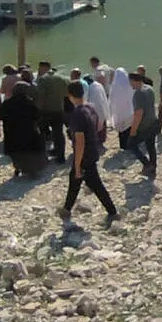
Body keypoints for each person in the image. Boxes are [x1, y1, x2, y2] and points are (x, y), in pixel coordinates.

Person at [60, 80, 119, 223]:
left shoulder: (77, 114)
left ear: (70, 95)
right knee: (75, 180)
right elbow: (98, 126)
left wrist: (78, 163)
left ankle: (113, 211)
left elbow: (79, 142)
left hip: (84, 155)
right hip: (93, 150)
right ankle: (67, 209)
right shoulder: (90, 107)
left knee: (93, 183)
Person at [0, 82, 47, 178]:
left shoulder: (7, 103)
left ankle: (17, 168)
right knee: (30, 152)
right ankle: (32, 170)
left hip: (11, 132)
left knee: (16, 152)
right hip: (28, 132)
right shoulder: (29, 102)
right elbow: (37, 116)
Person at [128, 72, 160, 178]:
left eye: (130, 82)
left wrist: (133, 131)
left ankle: (147, 165)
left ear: (133, 80)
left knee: (131, 145)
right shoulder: (149, 89)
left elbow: (138, 114)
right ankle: (153, 167)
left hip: (144, 126)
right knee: (151, 145)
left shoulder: (138, 93)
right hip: (153, 122)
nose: (130, 84)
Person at [35, 61, 68, 161]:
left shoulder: (43, 79)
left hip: (46, 110)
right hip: (59, 110)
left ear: (43, 68)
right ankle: (61, 155)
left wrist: (37, 110)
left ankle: (43, 157)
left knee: (42, 134)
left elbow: (40, 96)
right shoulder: (62, 78)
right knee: (58, 133)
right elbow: (67, 94)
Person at [110, 67, 134, 149]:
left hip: (119, 111)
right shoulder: (129, 85)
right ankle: (129, 144)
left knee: (121, 129)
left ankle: (123, 145)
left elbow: (111, 98)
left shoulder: (114, 85)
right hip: (129, 111)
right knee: (128, 127)